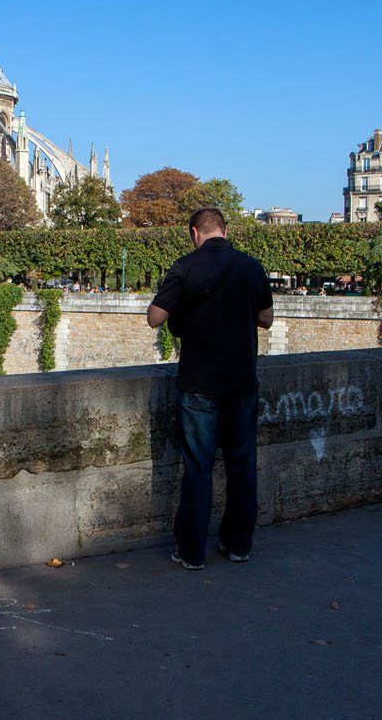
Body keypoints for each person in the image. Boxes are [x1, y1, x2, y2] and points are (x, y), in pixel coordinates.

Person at [147, 207, 273, 569]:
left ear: (194, 232)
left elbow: (155, 318)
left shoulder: (185, 266)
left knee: (198, 468)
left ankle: (191, 552)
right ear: (225, 230)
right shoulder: (251, 266)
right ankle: (238, 545)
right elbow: (266, 319)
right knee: (242, 464)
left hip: (200, 382)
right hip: (242, 381)